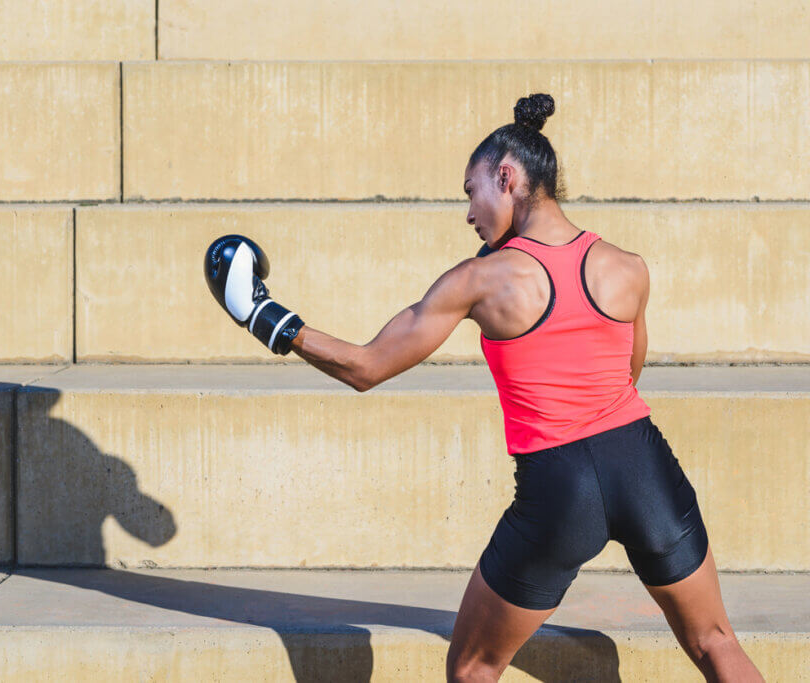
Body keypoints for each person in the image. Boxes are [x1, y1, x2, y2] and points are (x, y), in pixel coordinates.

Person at [204, 94, 763, 682]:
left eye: (471, 192)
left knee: (473, 666)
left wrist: (263, 316)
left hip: (560, 483)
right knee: (714, 641)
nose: (469, 212)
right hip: (643, 463)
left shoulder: (480, 280)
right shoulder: (628, 267)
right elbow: (628, 375)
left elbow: (366, 368)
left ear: (507, 175)